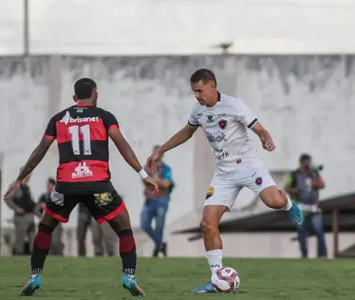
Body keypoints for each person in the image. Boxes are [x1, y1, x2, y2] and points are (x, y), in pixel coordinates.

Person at [146, 68, 304, 293]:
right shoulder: (198, 111)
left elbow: (260, 129)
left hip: (249, 166)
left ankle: (288, 204)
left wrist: (266, 139)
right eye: (194, 92)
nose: (197, 96)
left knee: (273, 202)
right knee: (207, 224)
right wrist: (160, 150)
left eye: (200, 90)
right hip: (224, 174)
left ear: (213, 86)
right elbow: (186, 132)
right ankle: (216, 278)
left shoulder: (235, 105)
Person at [4, 78, 159, 297]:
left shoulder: (58, 119)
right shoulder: (105, 117)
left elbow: (39, 151)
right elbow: (122, 145)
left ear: (74, 98)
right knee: (124, 227)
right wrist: (143, 174)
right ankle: (129, 276)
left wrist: (19, 179)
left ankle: (35, 276)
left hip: (66, 186)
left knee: (46, 227)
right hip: (98, 186)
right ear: (96, 95)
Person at [284, 153, 327, 258]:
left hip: (313, 207)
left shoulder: (314, 173)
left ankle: (323, 254)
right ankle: (304, 254)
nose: (309, 164)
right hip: (300, 207)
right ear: (302, 162)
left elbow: (322, 184)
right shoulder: (294, 174)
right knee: (301, 232)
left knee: (319, 231)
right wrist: (295, 190)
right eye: (307, 162)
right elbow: (286, 188)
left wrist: (314, 184)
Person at [140, 145, 174, 257]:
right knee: (144, 224)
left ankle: (157, 249)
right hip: (149, 201)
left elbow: (166, 184)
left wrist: (154, 180)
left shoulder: (166, 168)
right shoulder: (148, 167)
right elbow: (144, 180)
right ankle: (160, 244)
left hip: (161, 201)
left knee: (159, 226)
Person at [5, 172, 36, 255]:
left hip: (30, 216)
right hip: (21, 218)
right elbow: (7, 198)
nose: (29, 177)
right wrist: (16, 208)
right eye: (28, 175)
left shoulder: (27, 187)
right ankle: (18, 255)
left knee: (32, 238)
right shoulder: (15, 186)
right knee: (20, 240)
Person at [36, 178, 64, 255]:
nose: (48, 187)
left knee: (55, 241)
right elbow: (36, 208)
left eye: (49, 185)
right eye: (47, 185)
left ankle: (58, 257)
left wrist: (46, 206)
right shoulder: (43, 196)